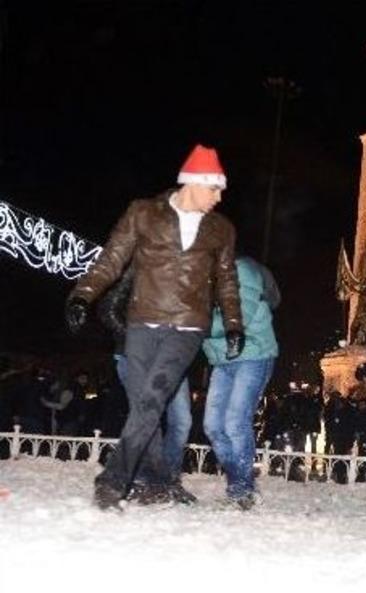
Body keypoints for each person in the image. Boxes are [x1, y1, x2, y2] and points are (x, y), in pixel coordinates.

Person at [65, 144, 244, 509]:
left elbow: (226, 280)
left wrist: (234, 324)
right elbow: (112, 258)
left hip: (187, 328)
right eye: (215, 188)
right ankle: (159, 480)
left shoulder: (221, 229)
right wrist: (82, 296)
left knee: (151, 400)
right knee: (143, 408)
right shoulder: (143, 213)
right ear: (193, 183)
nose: (220, 196)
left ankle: (112, 481)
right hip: (142, 324)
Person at [98, 266, 194, 492]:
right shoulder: (136, 273)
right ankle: (149, 479)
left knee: (182, 421)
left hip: (171, 361)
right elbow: (108, 309)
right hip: (134, 358)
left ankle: (168, 478)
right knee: (145, 419)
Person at [202, 255, 279, 509]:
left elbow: (239, 314)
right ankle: (239, 483)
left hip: (253, 355)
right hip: (223, 360)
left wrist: (196, 325)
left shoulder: (242, 270)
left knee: (235, 421)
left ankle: (242, 490)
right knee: (213, 425)